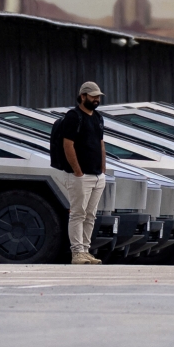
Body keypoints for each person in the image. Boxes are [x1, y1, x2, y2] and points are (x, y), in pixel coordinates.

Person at [54, 81, 107, 265]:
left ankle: (85, 249)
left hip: (97, 175)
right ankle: (77, 252)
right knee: (78, 213)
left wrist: (103, 169)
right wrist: (77, 171)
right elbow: (67, 145)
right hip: (80, 176)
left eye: (98, 96)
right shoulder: (73, 116)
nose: (96, 99)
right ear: (83, 96)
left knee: (90, 215)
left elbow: (101, 143)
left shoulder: (98, 117)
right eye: (93, 96)